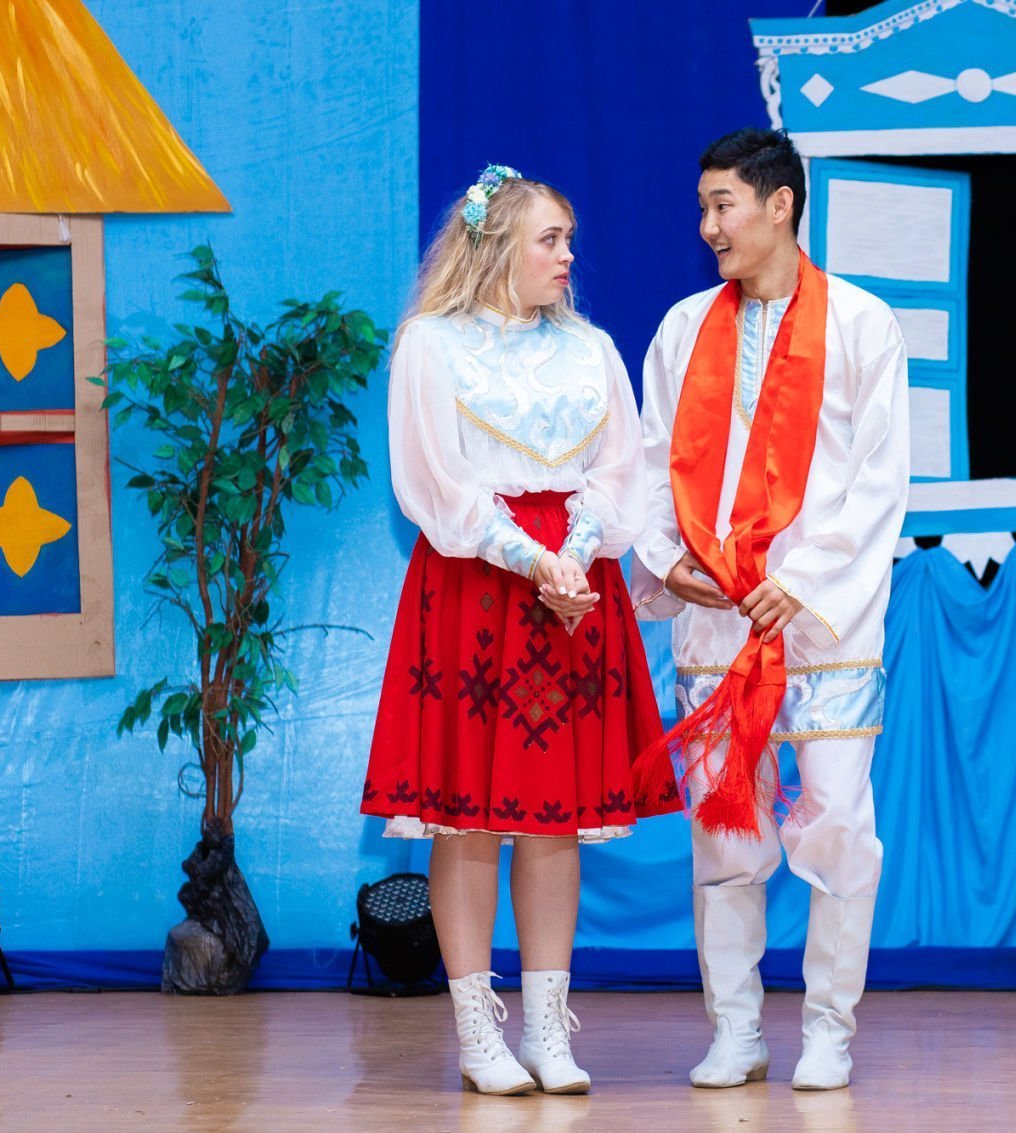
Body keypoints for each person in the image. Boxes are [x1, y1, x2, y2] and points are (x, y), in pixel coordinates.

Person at [362, 165, 678, 1095]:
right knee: (466, 818)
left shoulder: (591, 349)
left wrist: (573, 555)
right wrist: (530, 558)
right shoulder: (431, 345)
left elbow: (618, 471)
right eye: (551, 239)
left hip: (571, 591)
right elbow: (434, 482)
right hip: (476, 586)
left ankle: (547, 1029)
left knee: (554, 821)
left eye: (568, 239)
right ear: (498, 246)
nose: (568, 256)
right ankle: (478, 1033)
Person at [630, 128, 910, 1091]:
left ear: (780, 204)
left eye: (724, 205)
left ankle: (829, 1029)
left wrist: (810, 578)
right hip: (718, 620)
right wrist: (668, 561)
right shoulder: (681, 330)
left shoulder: (865, 325)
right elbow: (649, 466)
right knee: (725, 833)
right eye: (703, 208)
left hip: (823, 626)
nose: (708, 226)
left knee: (837, 823)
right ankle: (737, 1028)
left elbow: (880, 479)